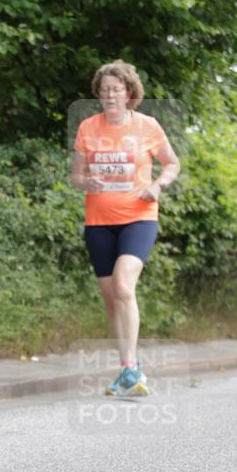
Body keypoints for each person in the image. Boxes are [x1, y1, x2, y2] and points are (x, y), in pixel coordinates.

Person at [70, 60, 180, 397]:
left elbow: (172, 164)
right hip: (99, 223)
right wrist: (86, 180)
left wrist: (158, 185)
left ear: (129, 93)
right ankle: (125, 368)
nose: (109, 95)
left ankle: (132, 368)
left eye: (116, 89)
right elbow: (75, 177)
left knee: (123, 285)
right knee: (110, 296)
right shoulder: (88, 127)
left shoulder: (147, 126)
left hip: (139, 217)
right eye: (104, 91)